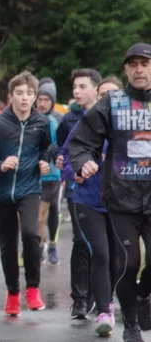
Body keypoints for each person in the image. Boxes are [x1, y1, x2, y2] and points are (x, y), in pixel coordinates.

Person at [69, 45, 151, 342]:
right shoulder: (112, 104)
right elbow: (81, 142)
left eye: (145, 64)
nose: (140, 70)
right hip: (121, 199)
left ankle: (142, 296)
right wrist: (83, 162)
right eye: (134, 64)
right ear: (126, 70)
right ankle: (131, 325)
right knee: (129, 263)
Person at [0, 71, 55, 317]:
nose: (24, 98)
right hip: (1, 191)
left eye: (29, 93)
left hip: (29, 188)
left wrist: (44, 162)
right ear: (11, 96)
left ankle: (33, 289)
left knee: (30, 234)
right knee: (8, 244)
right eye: (20, 93)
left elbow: (47, 148)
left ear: (35, 96)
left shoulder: (41, 123)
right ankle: (12, 293)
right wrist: (0, 165)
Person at [62, 77, 123, 337]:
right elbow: (67, 156)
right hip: (88, 201)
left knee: (118, 260)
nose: (108, 100)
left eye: (114, 95)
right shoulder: (86, 125)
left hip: (121, 204)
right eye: (103, 95)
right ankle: (104, 311)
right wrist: (75, 171)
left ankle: (106, 298)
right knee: (100, 253)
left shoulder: (130, 128)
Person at [56, 68, 102, 319]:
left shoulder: (111, 120)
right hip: (80, 194)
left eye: (82, 86)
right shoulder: (73, 122)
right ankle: (80, 299)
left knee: (103, 247)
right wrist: (73, 172)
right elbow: (63, 154)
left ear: (97, 89)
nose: (76, 91)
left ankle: (99, 295)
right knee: (81, 242)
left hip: (109, 195)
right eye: (75, 87)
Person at [36, 78, 64, 265]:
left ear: (52, 101)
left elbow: (60, 144)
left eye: (46, 99)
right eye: (40, 99)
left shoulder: (56, 120)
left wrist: (49, 157)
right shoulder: (31, 118)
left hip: (53, 175)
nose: (42, 103)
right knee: (39, 215)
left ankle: (51, 245)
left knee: (51, 211)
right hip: (35, 173)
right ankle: (40, 246)